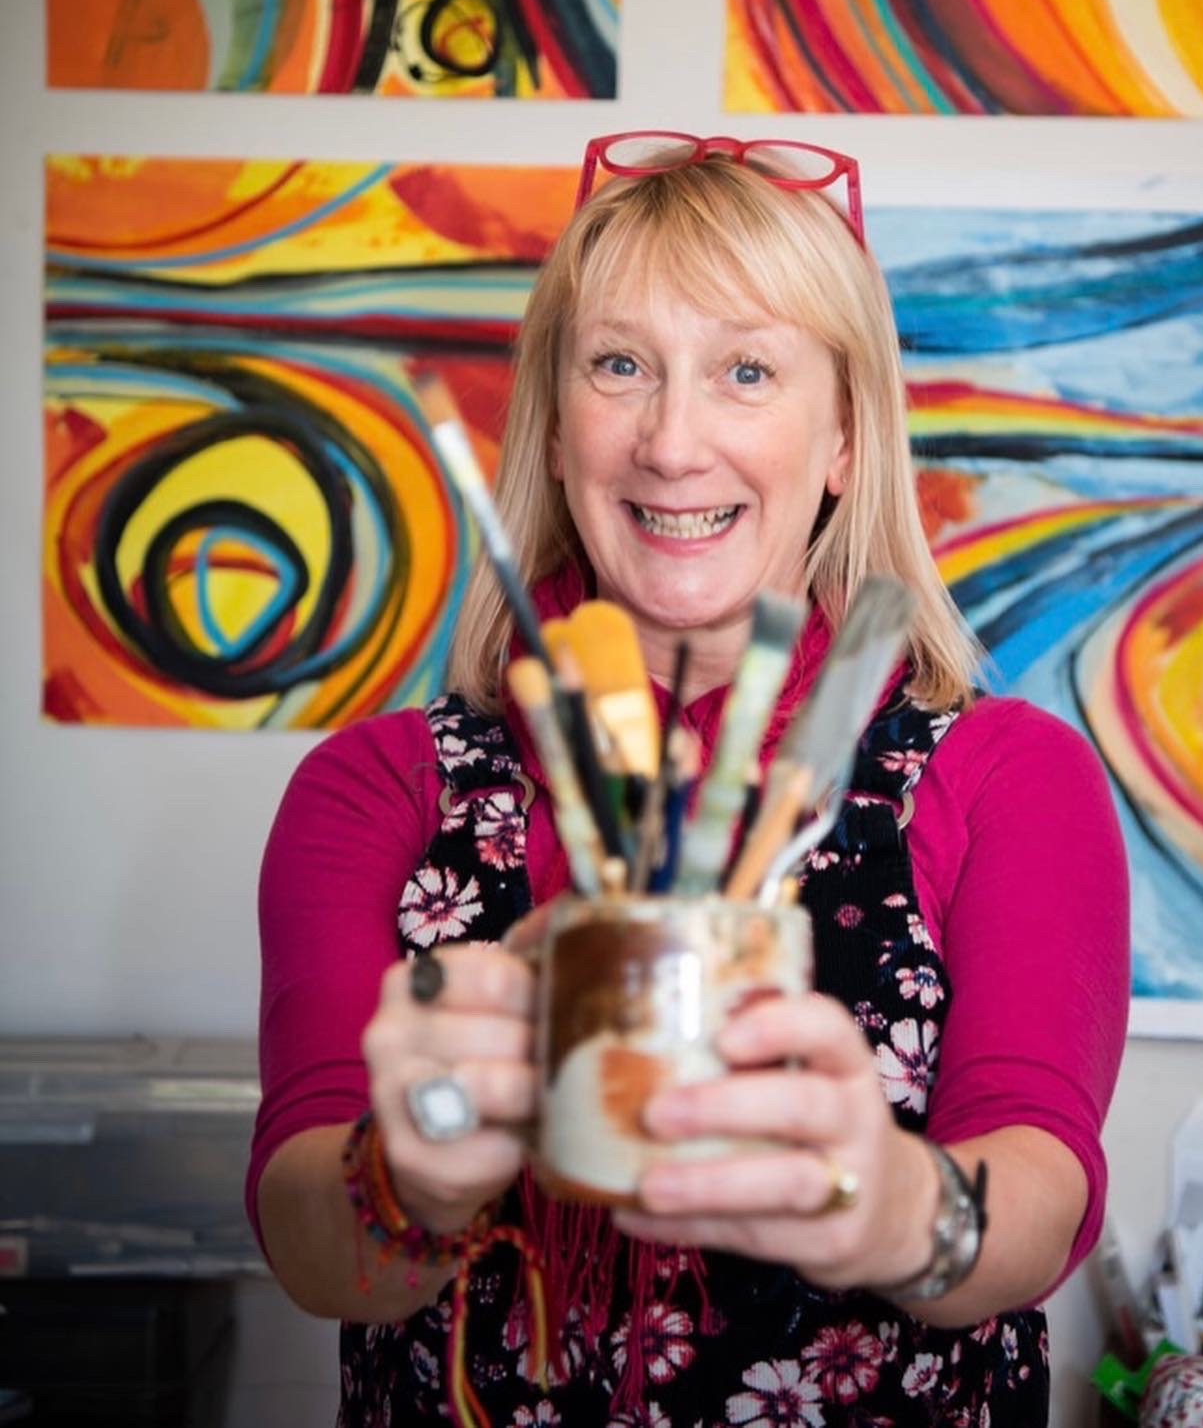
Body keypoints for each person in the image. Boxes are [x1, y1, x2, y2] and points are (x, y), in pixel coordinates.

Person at [248, 132, 1131, 1426]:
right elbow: (310, 1246)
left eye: (746, 371)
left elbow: (1038, 1200)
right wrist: (418, 1173)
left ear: (844, 438)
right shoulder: (375, 789)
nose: (671, 442)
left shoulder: (1011, 777)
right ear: (556, 432)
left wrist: (890, 1207)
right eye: (619, 366)